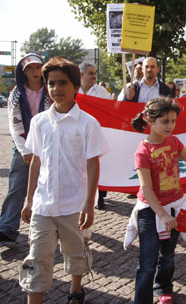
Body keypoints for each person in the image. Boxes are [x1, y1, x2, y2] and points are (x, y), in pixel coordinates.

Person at [19, 57, 108, 304]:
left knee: (75, 253)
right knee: (37, 259)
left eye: (63, 83)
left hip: (74, 205)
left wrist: (89, 204)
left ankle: (76, 289)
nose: (56, 89)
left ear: (76, 87)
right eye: (51, 84)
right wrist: (28, 200)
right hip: (43, 206)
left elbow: (93, 164)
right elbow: (36, 161)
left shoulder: (88, 124)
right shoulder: (39, 123)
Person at [130, 98, 186, 304]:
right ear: (149, 121)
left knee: (168, 255)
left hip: (174, 207)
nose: (170, 126)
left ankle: (163, 286)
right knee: (147, 261)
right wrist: (161, 213)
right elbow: (146, 188)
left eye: (173, 121)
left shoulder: (174, 141)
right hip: (150, 212)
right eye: (164, 121)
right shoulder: (142, 151)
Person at [0, 53, 51, 243]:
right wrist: (25, 150)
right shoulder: (16, 94)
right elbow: (15, 125)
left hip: (47, 147)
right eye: (30, 68)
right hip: (24, 148)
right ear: (23, 71)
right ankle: (7, 226)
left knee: (48, 187)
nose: (35, 72)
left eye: (38, 67)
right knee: (17, 186)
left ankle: (47, 229)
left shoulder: (50, 91)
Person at [79, 62, 112, 210]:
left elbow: (111, 109)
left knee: (98, 165)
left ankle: (100, 196)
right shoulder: (73, 90)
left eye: (94, 73)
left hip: (96, 132)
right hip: (77, 135)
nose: (94, 76)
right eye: (90, 73)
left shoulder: (101, 92)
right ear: (81, 75)